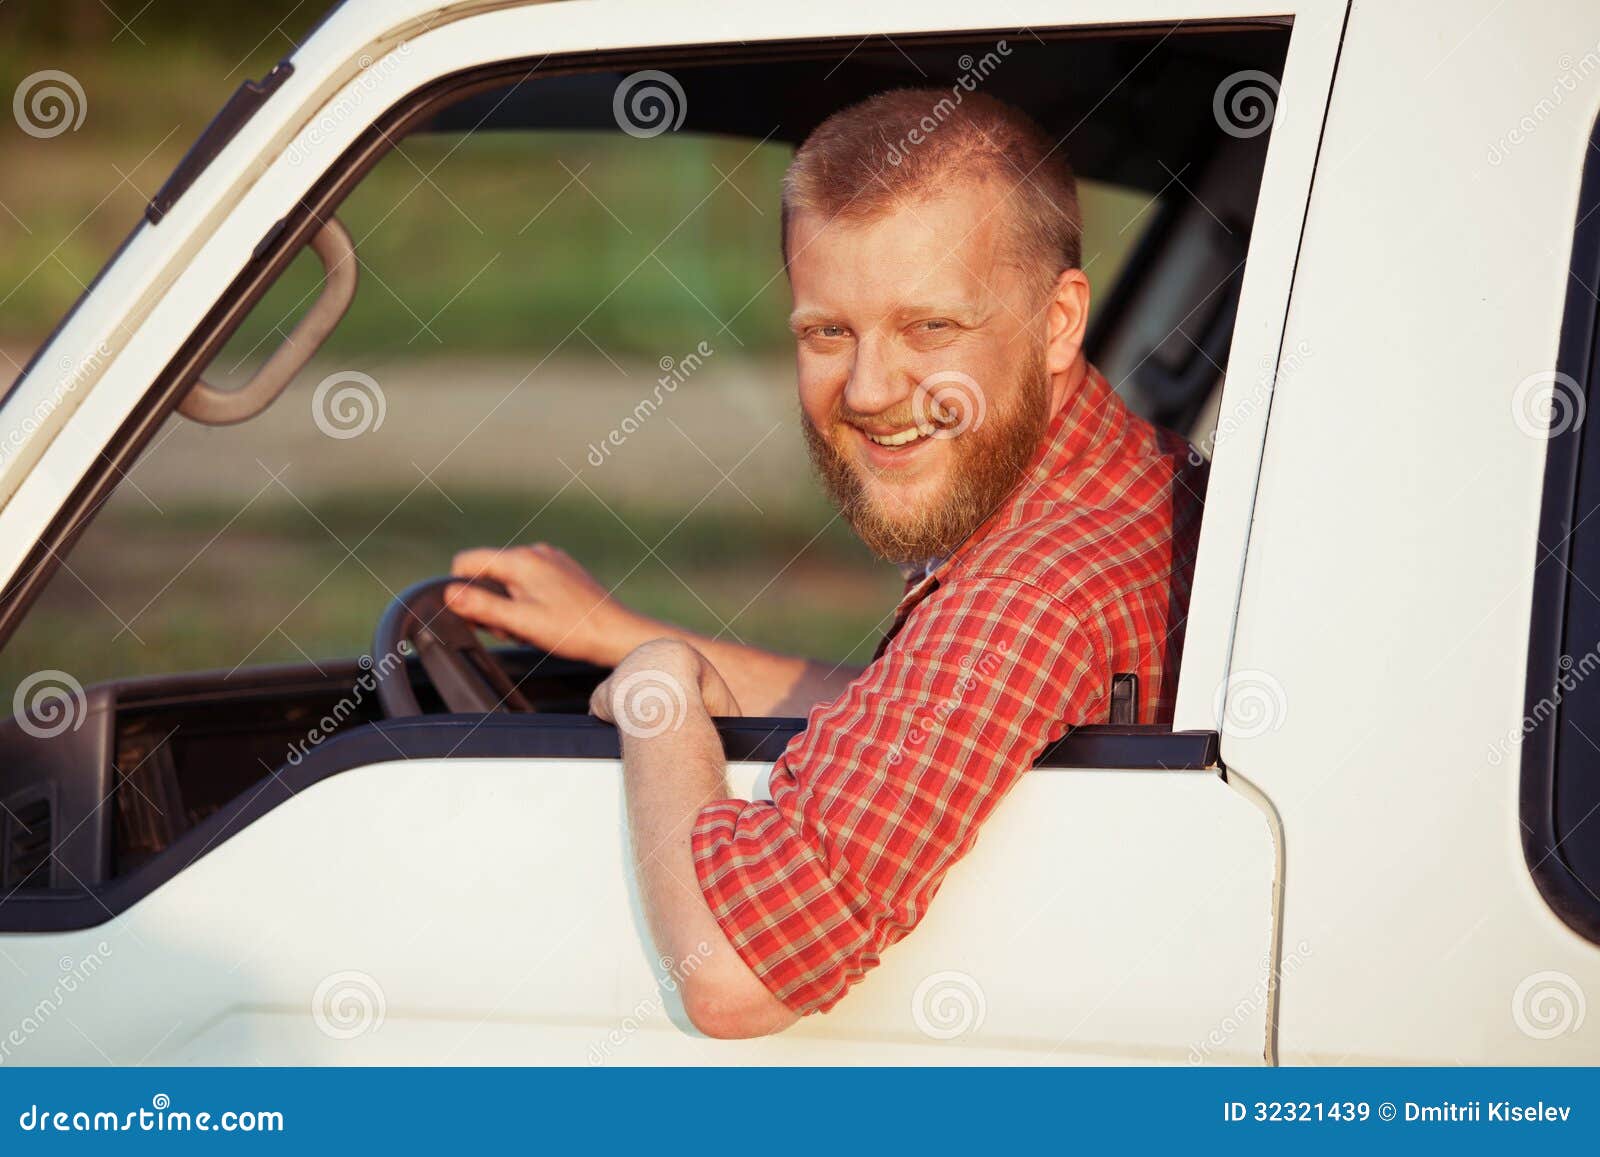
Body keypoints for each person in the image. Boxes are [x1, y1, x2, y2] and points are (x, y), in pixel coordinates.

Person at [445, 90, 1207, 1037]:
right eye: (827, 332)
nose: (871, 391)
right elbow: (921, 700)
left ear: (1057, 322)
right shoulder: (1121, 480)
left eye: (931, 327)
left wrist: (656, 692)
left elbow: (732, 975)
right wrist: (622, 632)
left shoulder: (1029, 593)